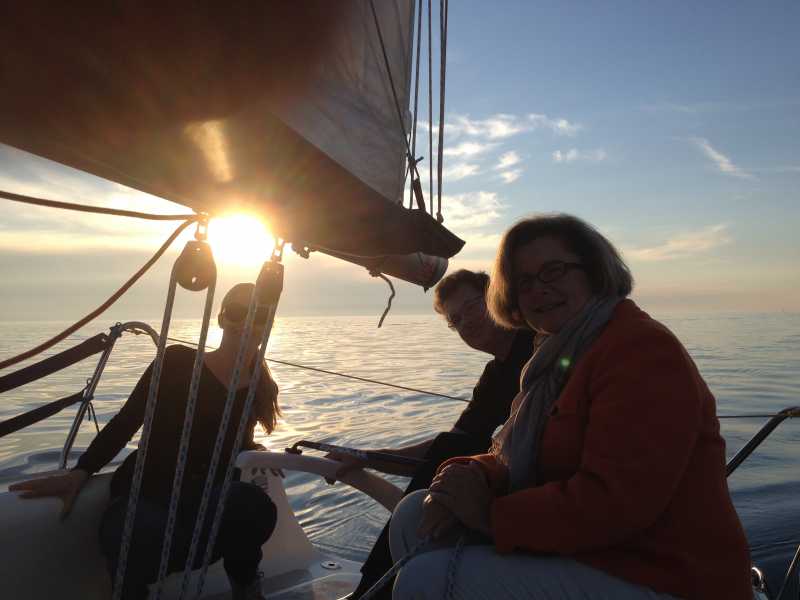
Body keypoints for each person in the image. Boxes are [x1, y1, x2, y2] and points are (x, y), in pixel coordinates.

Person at [388, 214, 752, 600]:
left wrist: (489, 515)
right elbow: (518, 454)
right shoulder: (555, 357)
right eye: (524, 282)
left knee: (423, 581)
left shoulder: (641, 351)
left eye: (554, 271)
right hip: (597, 554)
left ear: (594, 271)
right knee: (413, 515)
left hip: (665, 574)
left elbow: (614, 504)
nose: (538, 290)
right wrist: (469, 474)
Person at [10, 283, 280, 600]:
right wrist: (81, 472)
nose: (247, 322)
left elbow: (236, 444)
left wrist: (262, 455)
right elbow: (127, 420)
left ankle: (246, 589)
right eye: (238, 311)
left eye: (259, 315)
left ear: (269, 324)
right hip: (150, 493)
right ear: (221, 318)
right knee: (135, 531)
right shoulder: (177, 362)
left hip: (207, 503)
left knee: (254, 505)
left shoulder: (260, 388)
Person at [331, 269, 535, 599]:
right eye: (456, 319)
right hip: (516, 477)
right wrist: (367, 458)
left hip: (542, 483)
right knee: (434, 478)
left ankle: (371, 589)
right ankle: (375, 587)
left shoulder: (538, 345)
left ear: (496, 298)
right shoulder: (495, 376)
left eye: (472, 306)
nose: (466, 322)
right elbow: (447, 446)